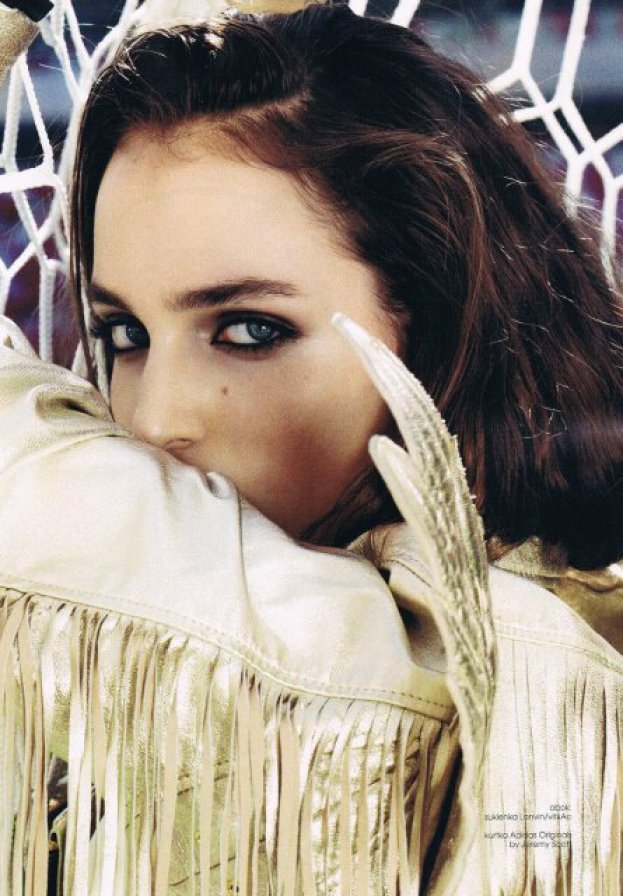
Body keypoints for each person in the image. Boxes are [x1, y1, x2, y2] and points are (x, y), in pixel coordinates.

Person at [0, 3, 621, 894]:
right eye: (125, 333)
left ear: (442, 327)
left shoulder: (484, 672)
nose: (156, 420)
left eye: (250, 330)